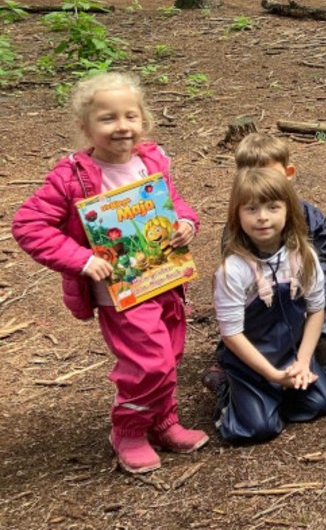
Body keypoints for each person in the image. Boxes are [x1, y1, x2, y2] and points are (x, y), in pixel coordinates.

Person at [11, 71, 206, 473]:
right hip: (120, 293)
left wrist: (186, 223)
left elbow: (172, 203)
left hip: (163, 278)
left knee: (169, 355)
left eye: (130, 116)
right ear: (85, 126)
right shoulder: (72, 178)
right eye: (108, 118)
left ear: (143, 119)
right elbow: (29, 225)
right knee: (148, 361)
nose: (122, 127)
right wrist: (81, 259)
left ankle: (163, 422)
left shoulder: (151, 161)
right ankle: (129, 431)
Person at [203, 132, 326, 388]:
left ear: (288, 173)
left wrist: (317, 302)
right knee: (248, 340)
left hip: (306, 301)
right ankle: (234, 370)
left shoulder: (310, 217)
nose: (260, 182)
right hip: (261, 309)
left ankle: (309, 368)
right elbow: (235, 284)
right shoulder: (240, 226)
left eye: (268, 173)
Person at [213, 168, 326, 443]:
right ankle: (229, 393)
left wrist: (302, 363)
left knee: (324, 400)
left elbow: (316, 310)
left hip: (290, 354)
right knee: (258, 429)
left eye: (273, 207)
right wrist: (272, 375)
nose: (262, 217)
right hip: (250, 362)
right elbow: (231, 334)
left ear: (288, 211)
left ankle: (273, 396)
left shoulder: (304, 257)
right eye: (251, 209)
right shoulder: (232, 270)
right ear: (236, 214)